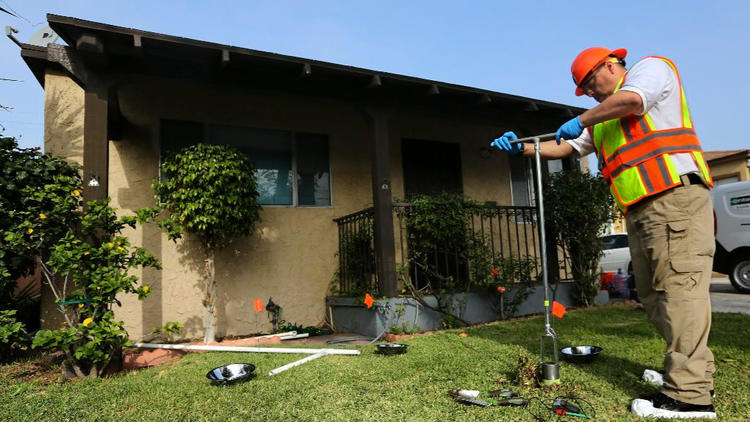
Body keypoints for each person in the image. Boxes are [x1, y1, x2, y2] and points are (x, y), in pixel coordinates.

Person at [491, 47, 716, 419]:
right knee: (656, 296)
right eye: (583, 90)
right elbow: (564, 148)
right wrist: (521, 150)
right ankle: (693, 372)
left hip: (676, 200)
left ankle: (690, 397)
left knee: (680, 293)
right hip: (641, 211)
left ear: (610, 65)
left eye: (590, 83)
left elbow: (632, 100)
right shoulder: (601, 121)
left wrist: (582, 118)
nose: (589, 93)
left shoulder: (651, 71)